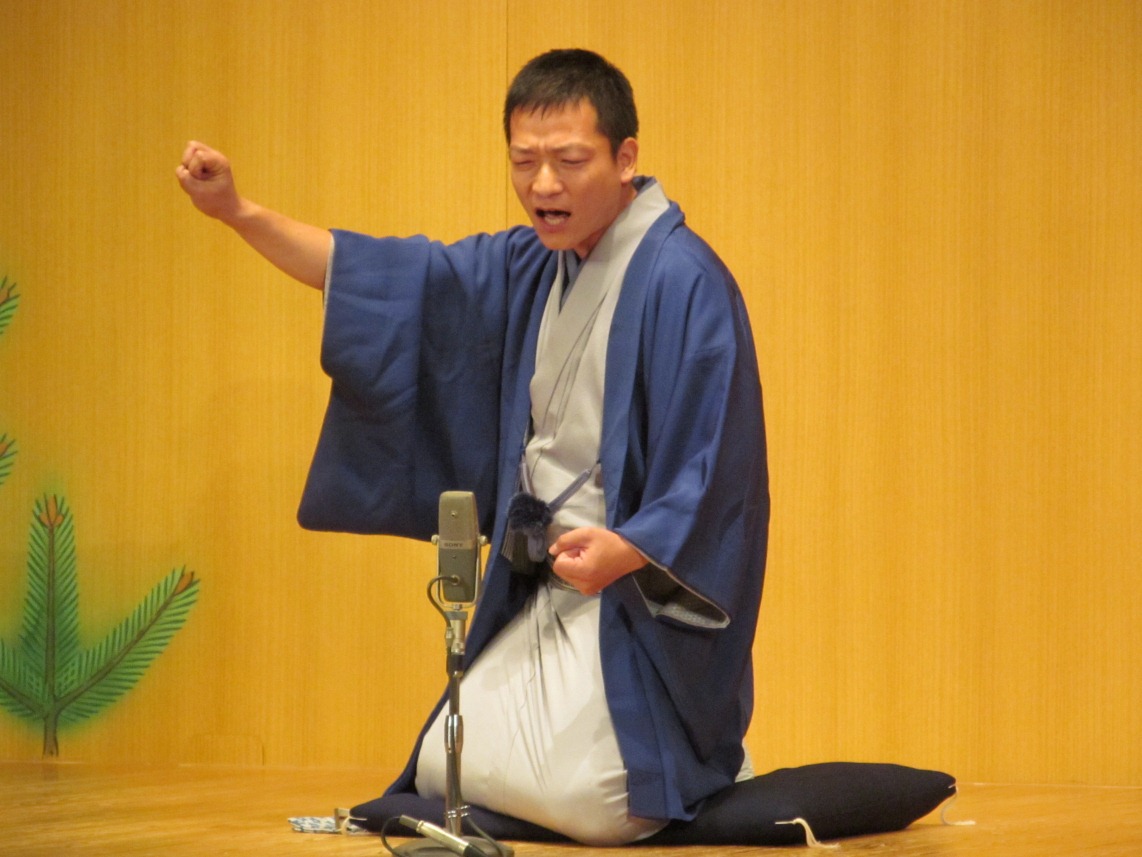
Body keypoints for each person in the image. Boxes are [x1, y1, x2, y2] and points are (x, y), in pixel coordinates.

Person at [178, 48, 769, 846]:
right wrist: (238, 211)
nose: (543, 184)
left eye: (569, 161)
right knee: (441, 768)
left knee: (601, 806)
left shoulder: (683, 279)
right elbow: (383, 278)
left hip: (629, 603)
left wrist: (630, 549)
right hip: (543, 587)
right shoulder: (532, 266)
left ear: (626, 157)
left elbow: (715, 467)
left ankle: (697, 759)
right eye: (524, 162)